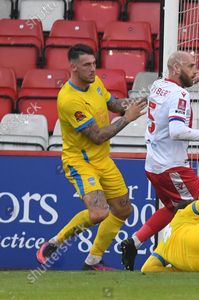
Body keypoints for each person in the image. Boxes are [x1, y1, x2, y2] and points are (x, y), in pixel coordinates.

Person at [36, 44, 147, 270]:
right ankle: (54, 242)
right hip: (80, 161)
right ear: (74, 68)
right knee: (99, 213)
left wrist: (133, 104)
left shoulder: (94, 83)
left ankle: (93, 261)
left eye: (94, 63)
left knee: (124, 209)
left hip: (103, 159)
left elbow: (113, 104)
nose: (93, 69)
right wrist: (128, 119)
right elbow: (97, 135)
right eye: (87, 65)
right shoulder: (69, 100)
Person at [120, 51, 199, 271]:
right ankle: (195, 259)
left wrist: (188, 82)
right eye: (190, 67)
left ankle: (134, 242)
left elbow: (172, 100)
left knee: (172, 207)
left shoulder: (158, 85)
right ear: (177, 68)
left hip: (154, 164)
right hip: (172, 167)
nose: (195, 71)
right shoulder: (180, 95)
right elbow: (177, 131)